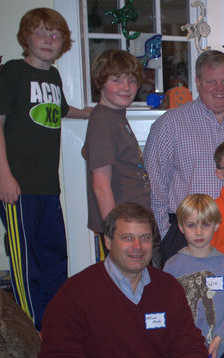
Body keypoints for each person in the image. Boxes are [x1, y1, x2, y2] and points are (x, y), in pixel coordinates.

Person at [37, 203, 224, 358]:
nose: (137, 247)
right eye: (127, 238)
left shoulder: (166, 286)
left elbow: (189, 343)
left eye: (144, 238)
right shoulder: (76, 292)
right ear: (108, 241)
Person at [0, 8, 92, 329]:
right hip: (17, 185)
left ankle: (55, 323)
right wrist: (4, 175)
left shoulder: (53, 76)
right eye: (41, 33)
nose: (49, 40)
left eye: (56, 35)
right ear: (26, 38)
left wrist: (91, 112)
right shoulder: (13, 73)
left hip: (48, 186)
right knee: (26, 260)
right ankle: (33, 327)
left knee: (54, 255)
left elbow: (60, 109)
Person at [144, 50, 224, 264]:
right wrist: (166, 236)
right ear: (198, 82)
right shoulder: (170, 124)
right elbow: (154, 187)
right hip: (187, 233)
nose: (219, 88)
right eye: (211, 81)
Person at [83, 49, 153, 262]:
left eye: (131, 81)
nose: (126, 87)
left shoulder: (115, 116)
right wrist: (115, 233)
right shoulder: (103, 122)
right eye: (117, 80)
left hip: (131, 223)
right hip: (122, 228)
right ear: (99, 83)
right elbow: (101, 184)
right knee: (120, 288)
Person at [163, 194, 224, 358]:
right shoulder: (172, 266)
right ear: (181, 227)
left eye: (205, 225)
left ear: (216, 225)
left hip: (217, 351)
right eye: (191, 225)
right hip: (178, 354)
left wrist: (220, 337)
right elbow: (166, 310)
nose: (199, 232)